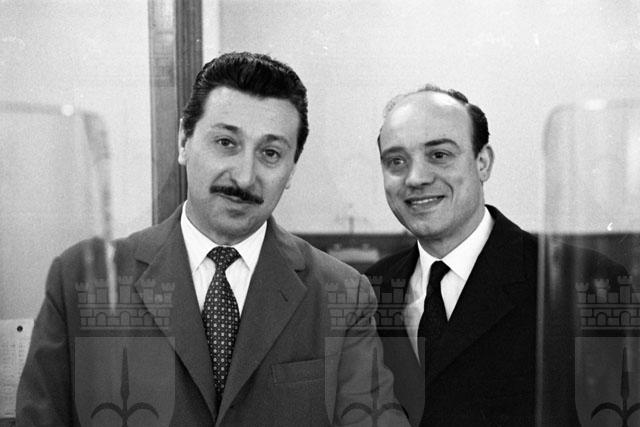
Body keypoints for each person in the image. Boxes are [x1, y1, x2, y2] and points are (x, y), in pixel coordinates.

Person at [16, 52, 409, 427]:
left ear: (291, 170)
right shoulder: (80, 280)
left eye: (271, 153)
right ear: (183, 141)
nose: (244, 176)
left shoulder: (342, 293)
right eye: (226, 143)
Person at [365, 85, 626, 426]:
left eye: (439, 155)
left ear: (483, 162)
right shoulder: (370, 288)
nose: (415, 178)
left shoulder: (584, 281)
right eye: (396, 161)